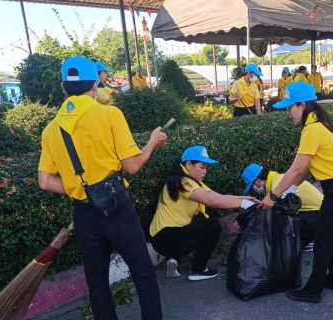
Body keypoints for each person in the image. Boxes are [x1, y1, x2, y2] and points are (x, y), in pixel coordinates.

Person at [38, 56, 167, 320]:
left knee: (96, 282)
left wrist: (80, 190)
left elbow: (45, 181)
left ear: (64, 87)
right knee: (142, 272)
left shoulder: (51, 129)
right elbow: (131, 166)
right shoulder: (109, 114)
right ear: (96, 83)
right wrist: (152, 142)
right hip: (116, 207)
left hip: (84, 215)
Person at [258, 82, 333, 304]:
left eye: (289, 108)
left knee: (323, 238)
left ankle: (313, 291)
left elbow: (295, 169)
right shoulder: (320, 125)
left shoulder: (312, 129)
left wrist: (272, 195)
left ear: (302, 105)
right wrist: (289, 190)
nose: (288, 113)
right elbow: (304, 170)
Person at [150, 146, 256, 280]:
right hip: (166, 238)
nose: (205, 171)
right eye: (202, 167)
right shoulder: (184, 182)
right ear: (189, 164)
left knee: (197, 223)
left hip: (164, 236)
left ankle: (174, 258)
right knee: (212, 226)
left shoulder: (189, 181)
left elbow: (218, 196)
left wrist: (244, 198)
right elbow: (212, 201)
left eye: (206, 168)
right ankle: (199, 270)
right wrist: (244, 204)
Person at [241, 163, 323, 252]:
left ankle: (310, 240)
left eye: (252, 185)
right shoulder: (277, 180)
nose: (254, 189)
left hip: (321, 216)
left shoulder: (276, 186)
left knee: (280, 222)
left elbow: (278, 213)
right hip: (316, 213)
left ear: (257, 181)